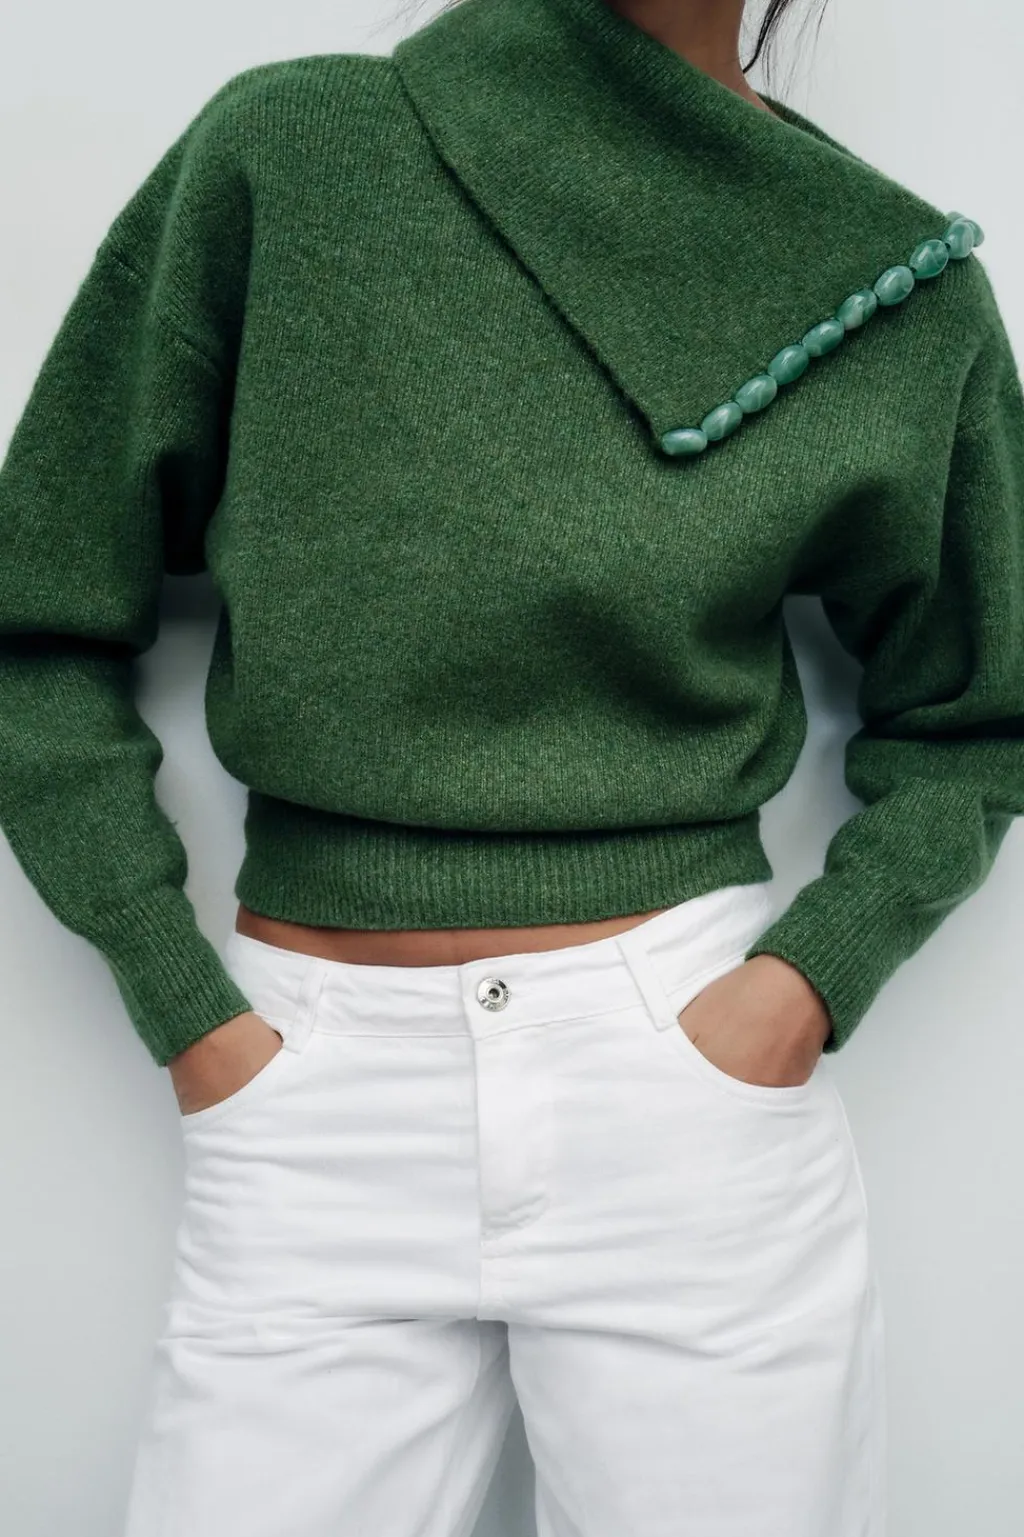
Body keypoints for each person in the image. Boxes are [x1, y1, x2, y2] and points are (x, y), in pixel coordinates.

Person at [1, 0, 1021, 1531]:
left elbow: (983, 709)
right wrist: (183, 1002)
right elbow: (35, 624)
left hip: (684, 1092)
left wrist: (805, 984)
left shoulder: (888, 288)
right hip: (315, 1099)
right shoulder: (293, 154)